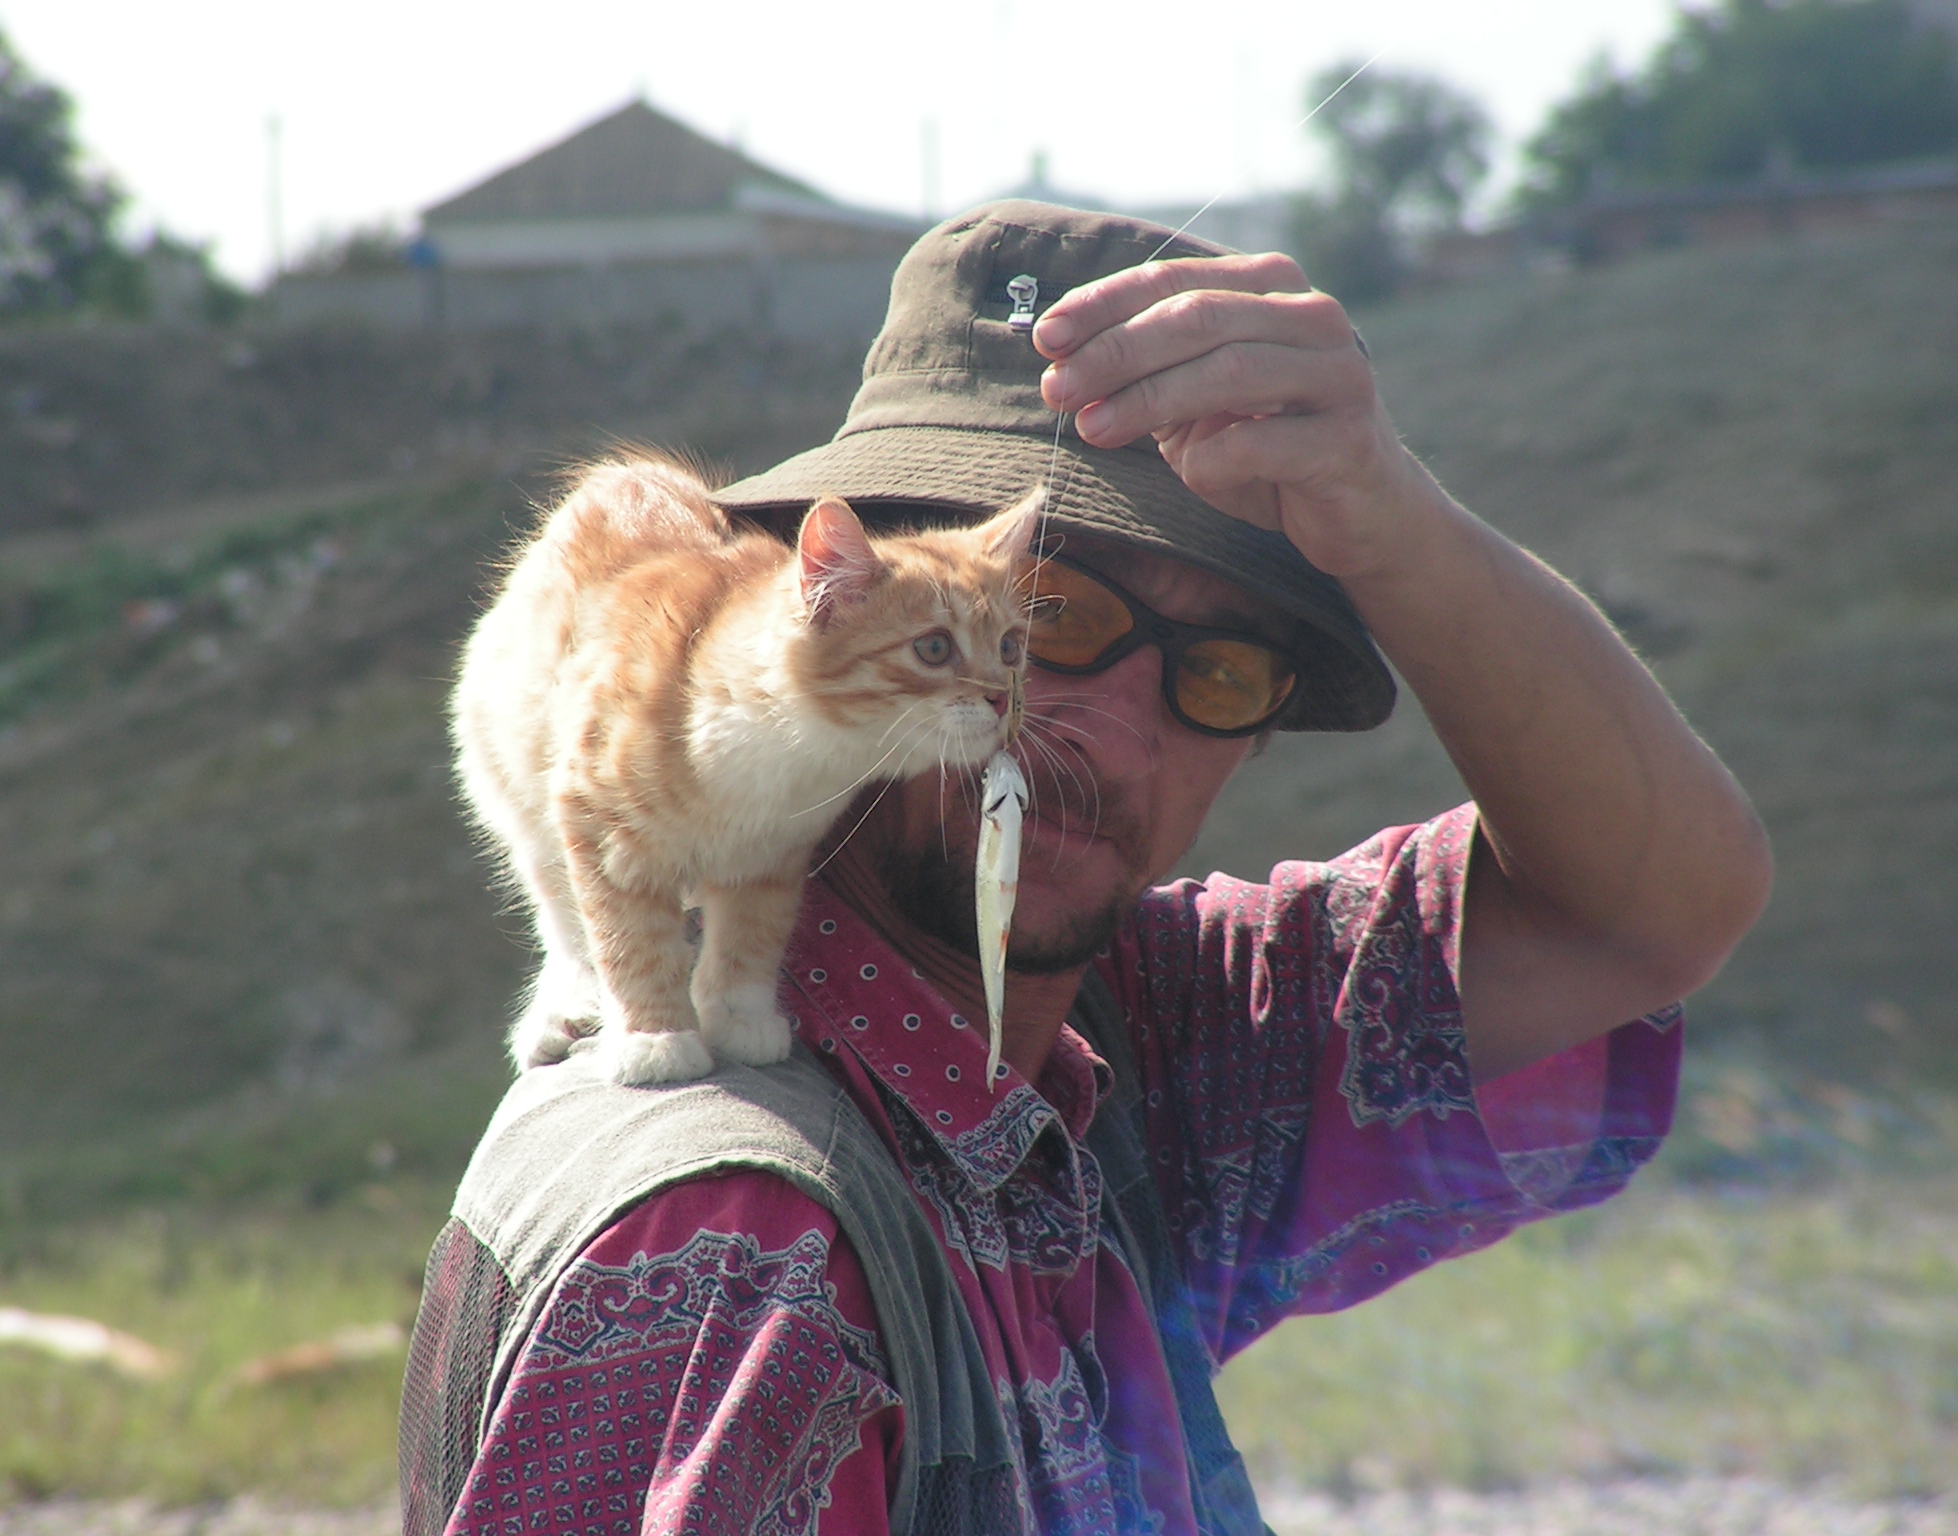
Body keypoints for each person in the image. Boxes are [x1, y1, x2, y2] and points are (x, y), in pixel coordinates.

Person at [397, 203, 1770, 1536]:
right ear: (841, 594)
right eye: (1051, 617)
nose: (1102, 736)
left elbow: (1648, 920)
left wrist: (1393, 521)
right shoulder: (739, 1245)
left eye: (1219, 672)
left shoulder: (1126, 1042)